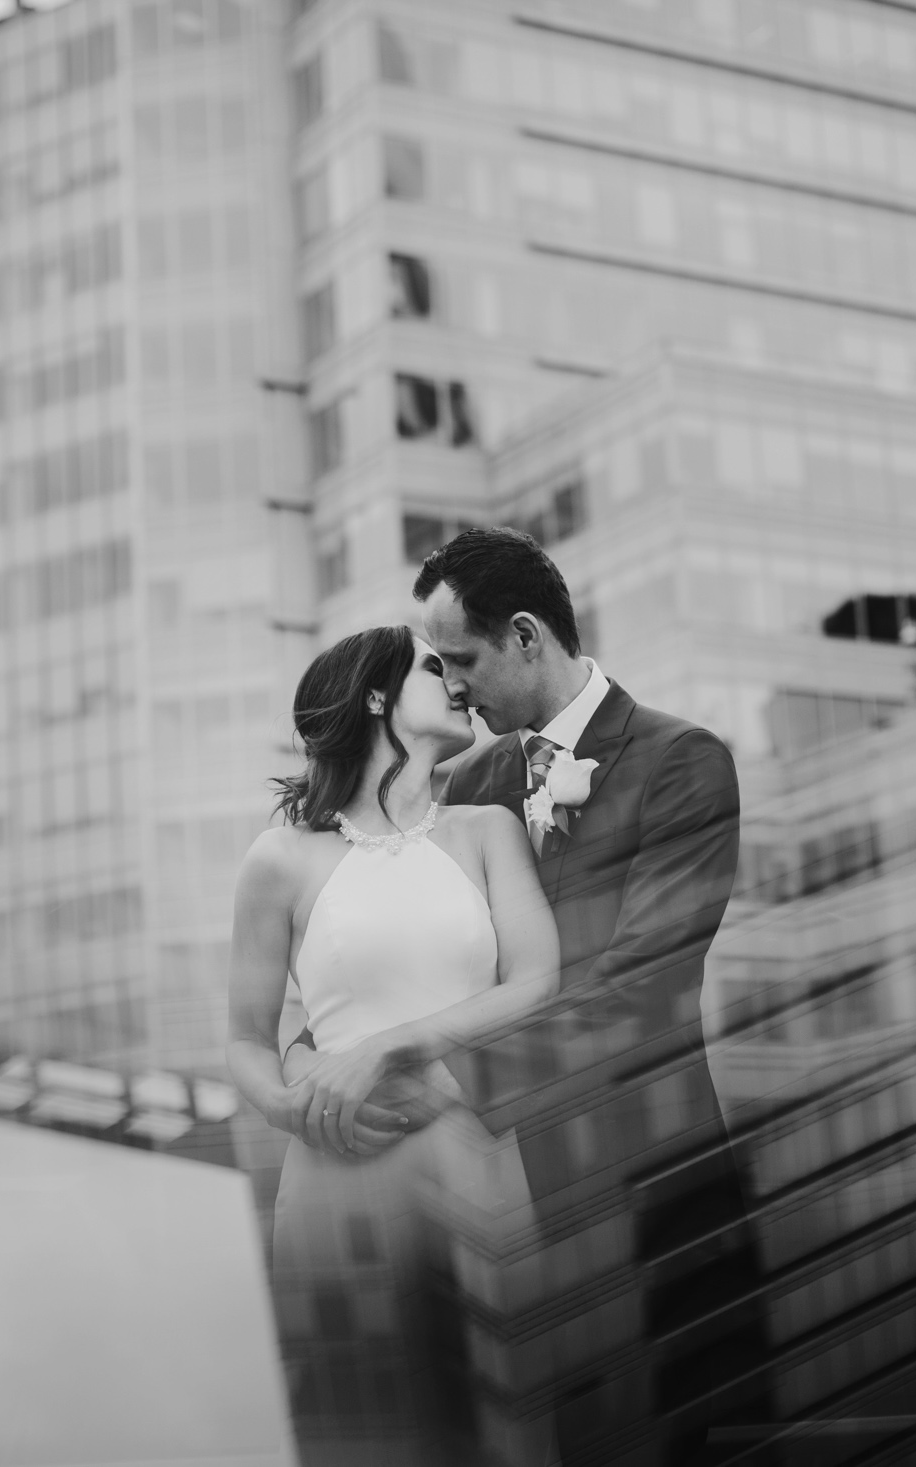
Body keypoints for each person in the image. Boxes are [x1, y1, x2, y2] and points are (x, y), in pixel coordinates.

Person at [412, 527, 766, 1461]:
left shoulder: (683, 760)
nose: (451, 690)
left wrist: (451, 1079)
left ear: (527, 635)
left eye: (462, 662)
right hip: (506, 1223)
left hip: (659, 1199)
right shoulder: (467, 787)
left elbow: (643, 991)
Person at [228, 624, 562, 1466]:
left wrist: (388, 1051)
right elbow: (243, 1040)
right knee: (359, 1427)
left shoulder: (488, 830)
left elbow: (534, 983)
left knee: (505, 1420)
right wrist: (295, 1106)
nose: (454, 677)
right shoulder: (280, 858)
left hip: (473, 1153)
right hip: (338, 1168)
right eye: (429, 665)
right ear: (377, 695)